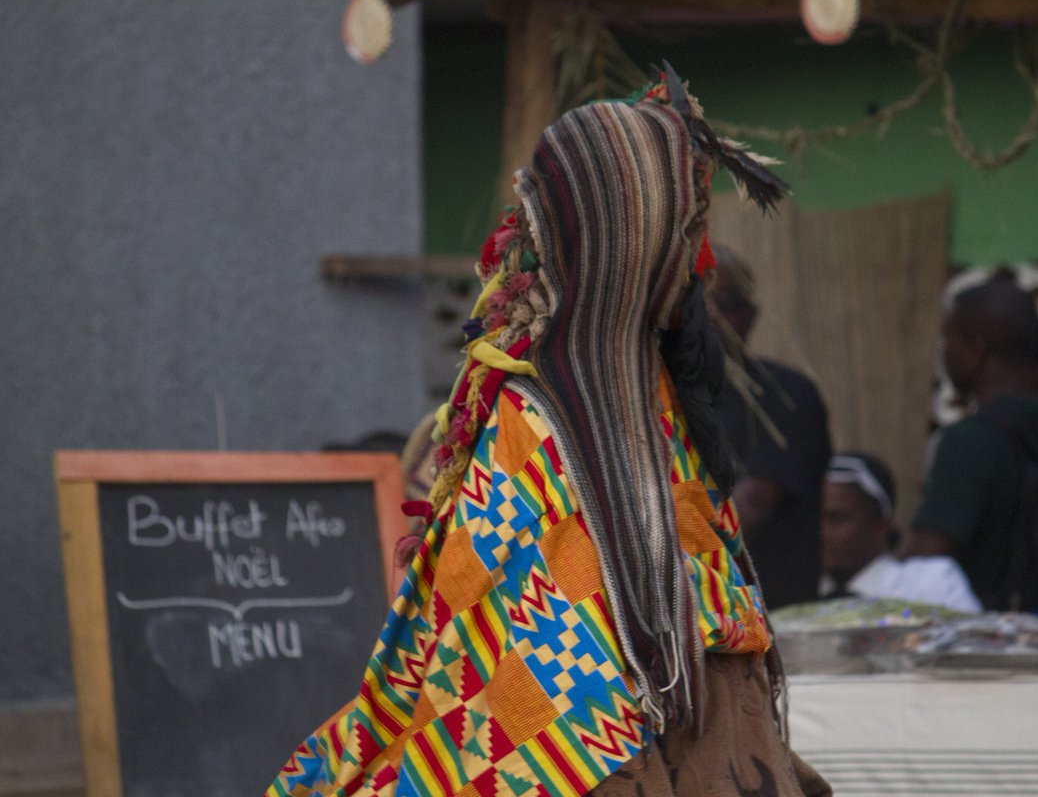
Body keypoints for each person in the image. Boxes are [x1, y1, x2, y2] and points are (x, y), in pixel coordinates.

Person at [266, 67, 830, 797]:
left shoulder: (657, 400)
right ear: (628, 243)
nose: (694, 255)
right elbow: (529, 681)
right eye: (681, 226)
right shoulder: (532, 426)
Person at [908, 277, 1038, 612]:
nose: (944, 352)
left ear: (977, 349)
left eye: (948, 338)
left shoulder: (970, 440)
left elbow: (927, 564)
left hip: (993, 640)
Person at [708, 246, 831, 610]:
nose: (710, 318)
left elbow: (749, 511)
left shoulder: (785, 395)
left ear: (750, 314)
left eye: (724, 304)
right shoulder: (652, 396)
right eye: (695, 304)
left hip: (767, 616)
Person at [820, 453, 981, 613]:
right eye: (814, 520)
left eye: (836, 519)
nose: (822, 533)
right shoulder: (802, 590)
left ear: (881, 525)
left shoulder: (932, 584)